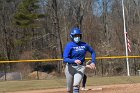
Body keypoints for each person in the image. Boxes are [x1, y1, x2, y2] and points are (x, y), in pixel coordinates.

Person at [63, 27, 96, 93]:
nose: (77, 37)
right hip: (70, 68)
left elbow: (93, 52)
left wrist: (93, 62)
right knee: (69, 90)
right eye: (75, 36)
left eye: (78, 35)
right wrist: (74, 60)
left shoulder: (84, 45)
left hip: (80, 67)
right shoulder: (69, 45)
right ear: (72, 36)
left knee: (76, 85)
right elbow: (65, 59)